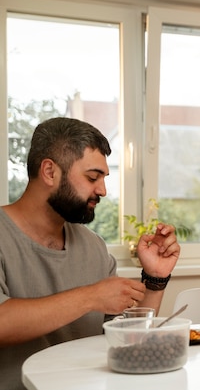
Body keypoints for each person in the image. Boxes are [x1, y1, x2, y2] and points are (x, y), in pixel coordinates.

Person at [0, 117, 181, 390]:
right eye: (92, 177)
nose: (103, 190)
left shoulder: (93, 247)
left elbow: (127, 340)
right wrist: (91, 297)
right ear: (49, 171)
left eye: (104, 179)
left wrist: (154, 279)